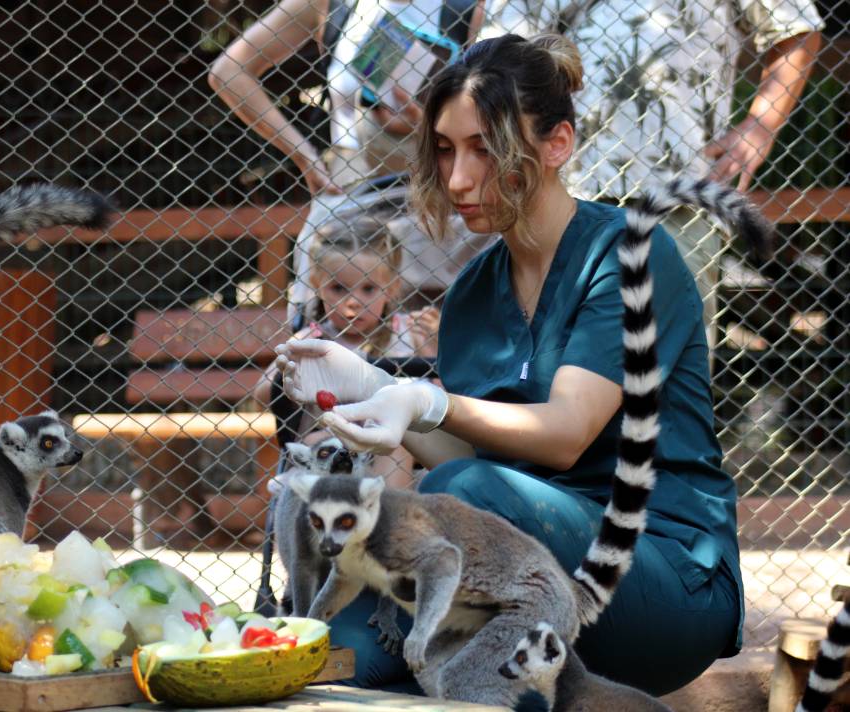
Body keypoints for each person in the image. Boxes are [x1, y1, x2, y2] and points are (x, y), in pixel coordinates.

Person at [274, 34, 745, 697]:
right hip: (521, 570)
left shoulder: (625, 254)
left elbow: (564, 432)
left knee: (464, 498)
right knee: (337, 634)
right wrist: (371, 388)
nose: (458, 178)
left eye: (484, 149)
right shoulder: (473, 292)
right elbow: (467, 440)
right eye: (445, 149)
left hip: (662, 574)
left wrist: (425, 400)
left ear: (557, 145)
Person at [477, 0, 824, 334]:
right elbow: (492, 63)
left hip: (681, 198)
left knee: (671, 371)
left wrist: (760, 126)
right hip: (559, 191)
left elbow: (796, 25)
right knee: (553, 363)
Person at [208, 0, 497, 321]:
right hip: (353, 195)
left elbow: (496, 116)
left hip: (444, 195)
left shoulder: (472, 7)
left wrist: (428, 129)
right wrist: (303, 154)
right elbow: (228, 72)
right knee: (323, 255)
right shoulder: (331, 5)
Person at [254, 214, 439, 489]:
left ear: (391, 288)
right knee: (318, 443)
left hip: (393, 452)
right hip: (334, 447)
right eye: (338, 288)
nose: (353, 303)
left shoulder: (409, 334)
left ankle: (387, 520)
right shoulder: (314, 340)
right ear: (318, 286)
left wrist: (430, 346)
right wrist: (289, 368)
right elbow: (262, 396)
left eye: (368, 289)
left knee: (399, 438)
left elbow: (441, 398)